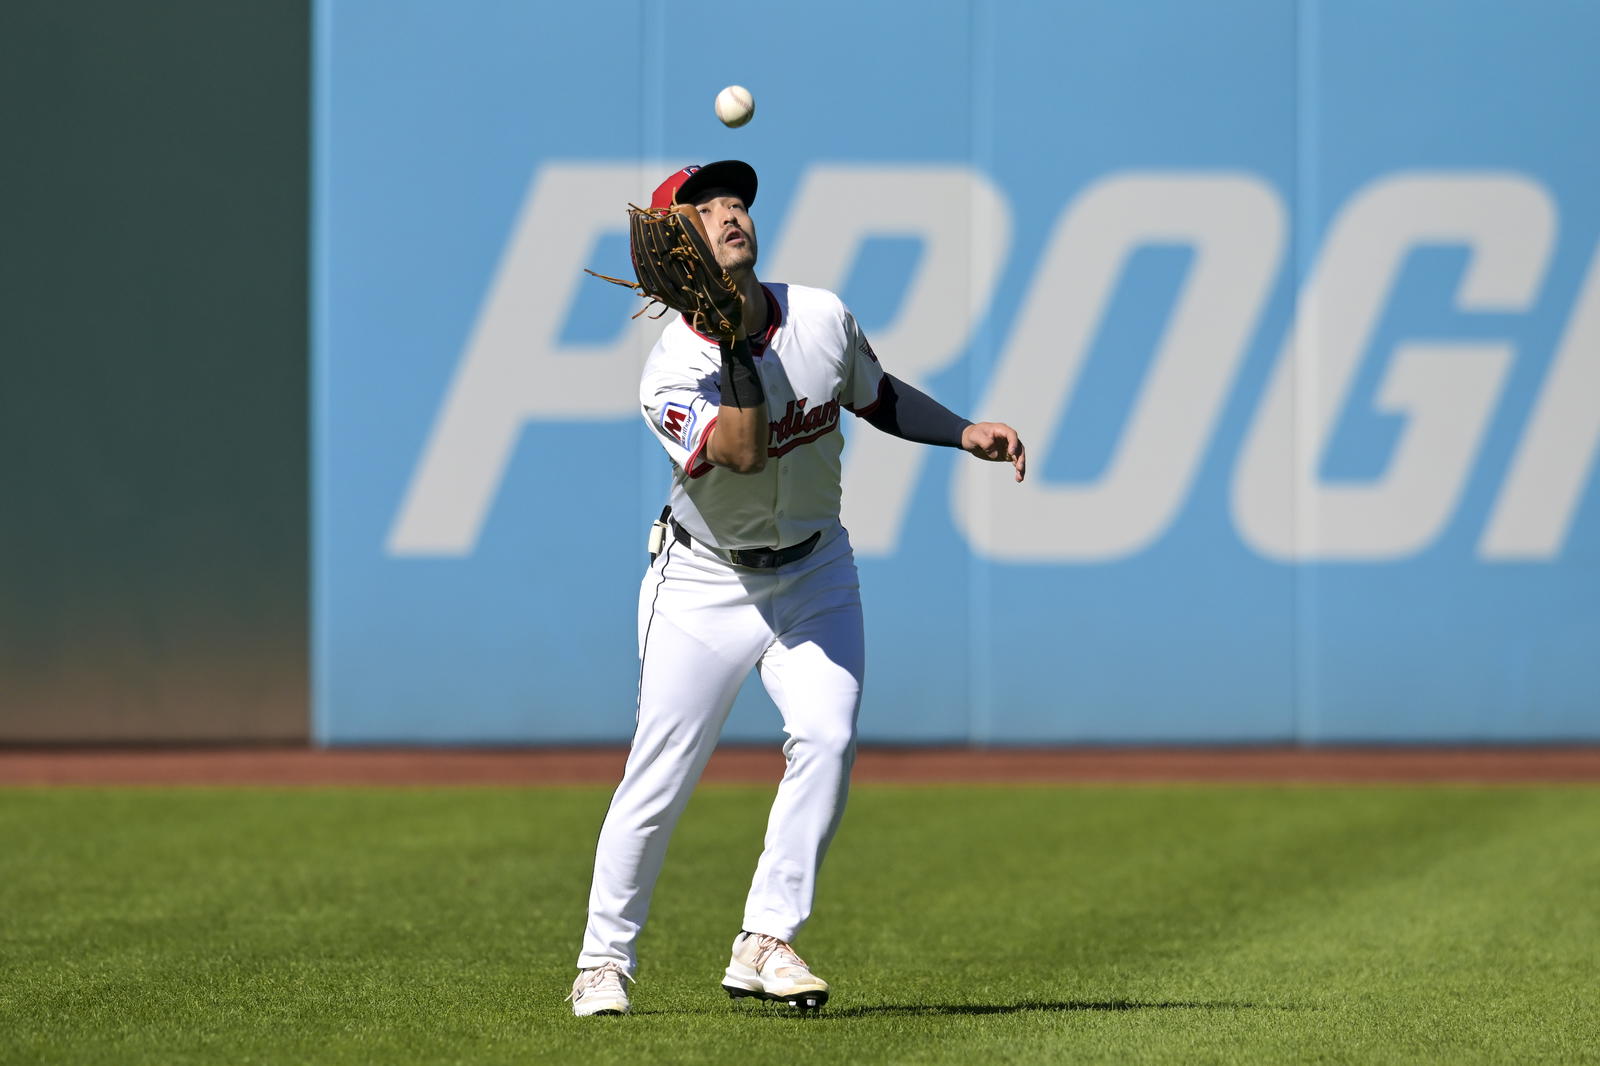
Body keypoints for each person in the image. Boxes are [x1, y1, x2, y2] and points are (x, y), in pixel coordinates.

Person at [568, 160, 1025, 1016]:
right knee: (660, 774)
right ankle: (602, 963)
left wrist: (964, 432)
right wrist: (737, 344)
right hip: (704, 582)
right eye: (706, 209)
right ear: (676, 249)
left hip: (815, 570)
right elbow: (740, 452)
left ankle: (765, 940)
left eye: (738, 200)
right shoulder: (670, 372)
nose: (732, 213)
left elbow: (875, 394)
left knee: (826, 733)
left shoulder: (818, 312)